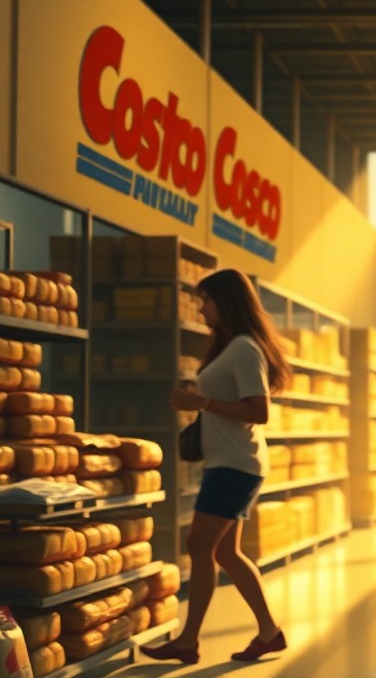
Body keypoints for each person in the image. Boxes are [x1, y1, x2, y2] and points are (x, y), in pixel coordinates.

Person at [141, 268, 293, 665]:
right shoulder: (232, 345)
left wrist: (202, 404)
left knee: (199, 545)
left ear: (225, 301)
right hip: (230, 462)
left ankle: (189, 641)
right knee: (226, 552)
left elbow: (258, 410)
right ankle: (269, 632)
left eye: (205, 300)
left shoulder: (244, 348)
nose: (201, 308)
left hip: (235, 465)